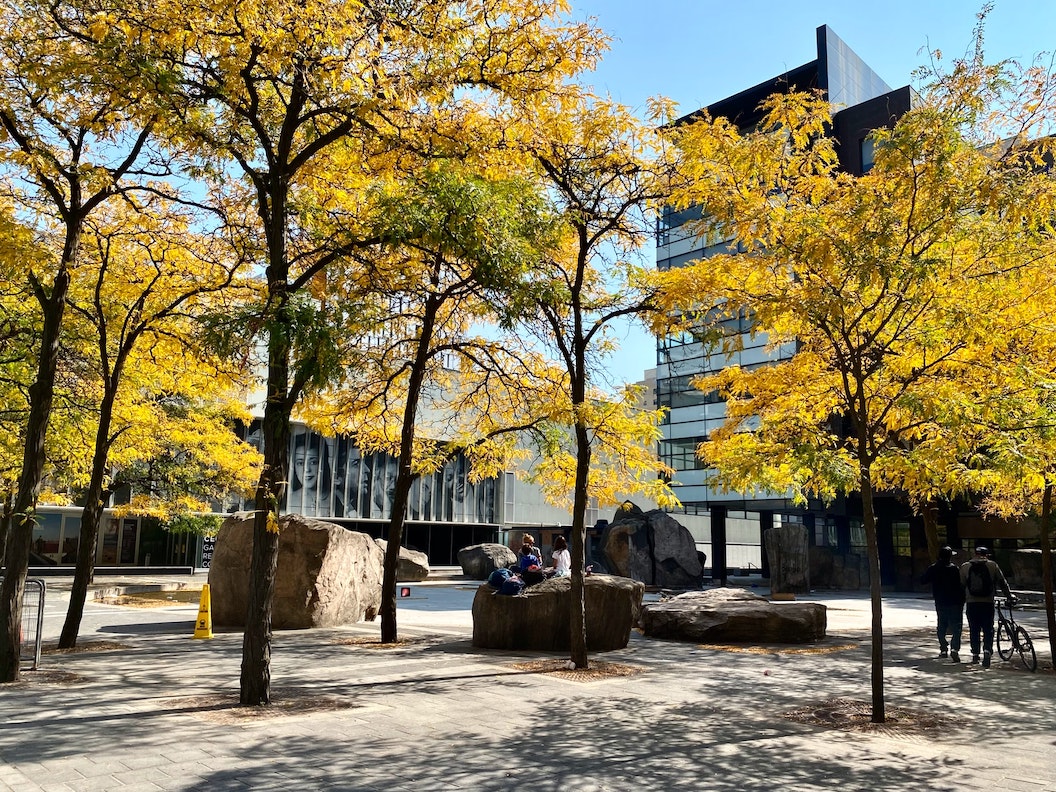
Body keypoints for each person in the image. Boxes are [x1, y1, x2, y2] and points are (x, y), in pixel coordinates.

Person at [960, 546, 1013, 668]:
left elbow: (961, 585)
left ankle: (975, 654)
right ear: (987, 555)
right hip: (987, 602)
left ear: (975, 554)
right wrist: (1009, 596)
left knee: (974, 629)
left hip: (971, 603)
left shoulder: (965, 567)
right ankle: (987, 650)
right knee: (988, 628)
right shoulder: (993, 565)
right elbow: (1002, 582)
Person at [920, 546, 964, 662]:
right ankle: (955, 648)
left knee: (942, 625)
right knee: (956, 627)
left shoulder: (934, 568)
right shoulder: (955, 569)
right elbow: (961, 584)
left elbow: (923, 580)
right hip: (955, 601)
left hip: (940, 601)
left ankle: (943, 648)